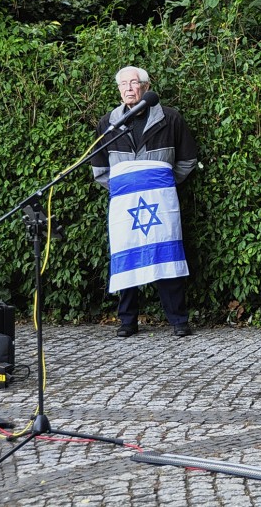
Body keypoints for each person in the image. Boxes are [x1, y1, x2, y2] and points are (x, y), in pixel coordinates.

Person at [91, 66, 198, 338]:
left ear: (146, 87)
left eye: (134, 83)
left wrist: (161, 185)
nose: (128, 88)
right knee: (126, 255)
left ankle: (178, 320)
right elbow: (100, 168)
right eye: (123, 84)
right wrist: (127, 187)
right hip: (124, 205)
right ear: (118, 90)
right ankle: (127, 321)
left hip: (161, 203)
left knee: (166, 254)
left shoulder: (170, 119)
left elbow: (187, 159)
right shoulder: (108, 123)